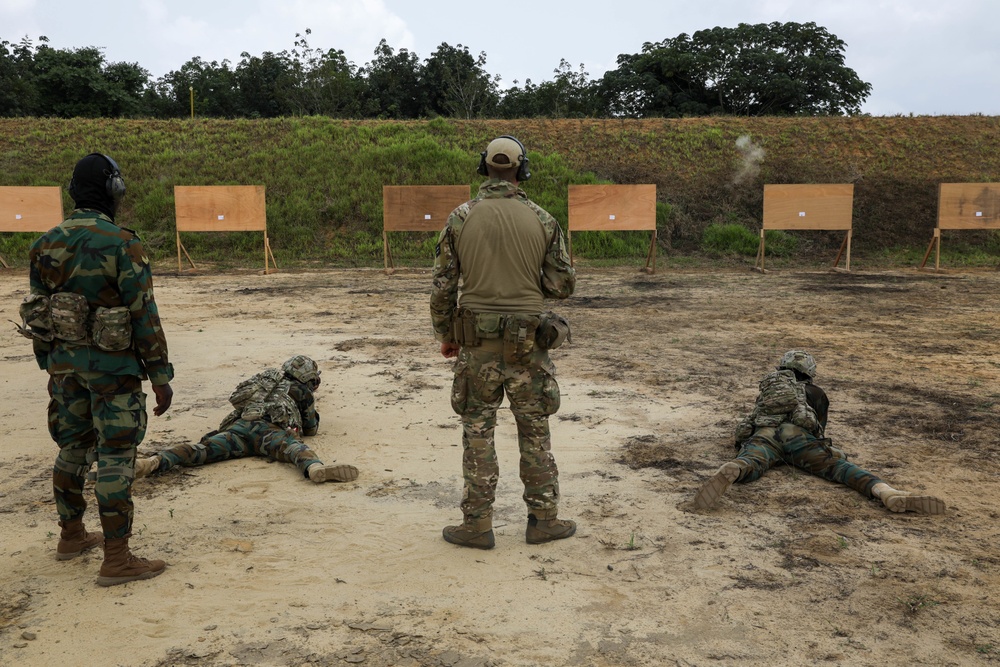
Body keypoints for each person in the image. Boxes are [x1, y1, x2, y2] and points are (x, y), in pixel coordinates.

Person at [20, 153, 174, 587]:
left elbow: (39, 315)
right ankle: (117, 558)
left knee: (72, 448)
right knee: (116, 454)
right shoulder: (123, 242)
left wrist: (50, 365)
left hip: (64, 368)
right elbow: (144, 314)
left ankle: (71, 536)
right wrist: (160, 376)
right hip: (114, 370)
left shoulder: (44, 243)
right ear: (114, 191)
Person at [430, 135, 577, 550]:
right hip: (529, 344)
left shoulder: (460, 217)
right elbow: (563, 284)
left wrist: (446, 335)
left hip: (476, 344)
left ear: (484, 168)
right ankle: (544, 520)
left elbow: (443, 285)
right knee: (535, 432)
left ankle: (477, 526)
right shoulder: (544, 219)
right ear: (521, 169)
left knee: (478, 431)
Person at [693, 350, 946, 515]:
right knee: (837, 467)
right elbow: (818, 429)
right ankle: (885, 491)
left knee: (754, 460)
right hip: (798, 436)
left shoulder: (771, 387)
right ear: (810, 373)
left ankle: (736, 468)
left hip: (766, 433)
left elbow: (757, 416)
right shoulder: (816, 393)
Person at [135, 355, 358, 485]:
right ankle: (314, 469)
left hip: (240, 427)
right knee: (294, 448)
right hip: (269, 431)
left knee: (201, 450)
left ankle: (153, 462)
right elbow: (310, 429)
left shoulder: (267, 383)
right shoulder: (301, 390)